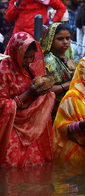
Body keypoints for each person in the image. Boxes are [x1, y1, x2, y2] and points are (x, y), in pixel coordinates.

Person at [0, 32, 55, 167]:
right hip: (12, 126)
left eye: (31, 57)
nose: (28, 62)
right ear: (15, 52)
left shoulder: (30, 69)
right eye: (25, 57)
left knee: (35, 169)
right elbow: (2, 103)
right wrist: (29, 93)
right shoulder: (4, 71)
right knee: (11, 168)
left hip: (31, 128)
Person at [53, 57, 85, 164]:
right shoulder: (72, 96)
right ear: (83, 73)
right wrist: (82, 124)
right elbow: (60, 128)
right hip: (73, 155)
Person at [39, 23, 77, 122]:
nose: (65, 42)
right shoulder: (48, 61)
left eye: (68, 38)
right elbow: (45, 89)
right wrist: (69, 84)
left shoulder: (71, 61)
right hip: (54, 112)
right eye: (60, 39)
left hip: (71, 109)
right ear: (51, 39)